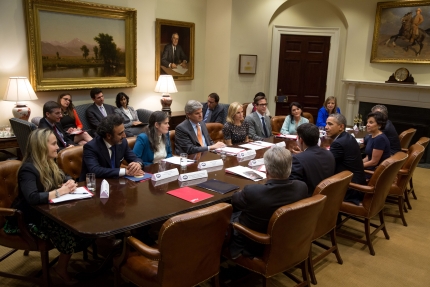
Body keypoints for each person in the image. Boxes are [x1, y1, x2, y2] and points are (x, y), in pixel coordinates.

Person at [4, 129, 92, 284]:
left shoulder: (48, 161)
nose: (58, 147)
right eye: (53, 144)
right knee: (67, 229)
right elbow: (32, 198)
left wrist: (69, 181)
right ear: (41, 146)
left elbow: (62, 175)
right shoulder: (28, 168)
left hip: (46, 210)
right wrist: (60, 192)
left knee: (80, 218)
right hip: (27, 217)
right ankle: (61, 269)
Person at [229, 146, 307, 259]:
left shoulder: (252, 192)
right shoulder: (301, 187)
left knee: (222, 217)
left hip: (256, 245)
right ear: (290, 168)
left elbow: (234, 201)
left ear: (267, 170)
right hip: (289, 239)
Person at [79, 114, 144, 181]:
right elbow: (95, 170)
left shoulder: (122, 142)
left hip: (114, 183)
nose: (124, 136)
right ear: (109, 136)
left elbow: (134, 158)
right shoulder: (91, 147)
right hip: (93, 184)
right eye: (120, 133)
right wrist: (125, 171)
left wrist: (138, 164)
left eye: (124, 131)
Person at [325, 113, 366, 205]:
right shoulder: (348, 137)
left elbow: (327, 164)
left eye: (330, 124)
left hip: (350, 188)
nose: (326, 127)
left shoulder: (338, 143)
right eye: (326, 123)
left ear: (341, 127)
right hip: (357, 182)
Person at [289, 123, 335, 196]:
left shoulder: (297, 160)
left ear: (300, 140)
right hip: (327, 199)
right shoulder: (329, 154)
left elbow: (293, 188)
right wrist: (302, 154)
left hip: (309, 202)